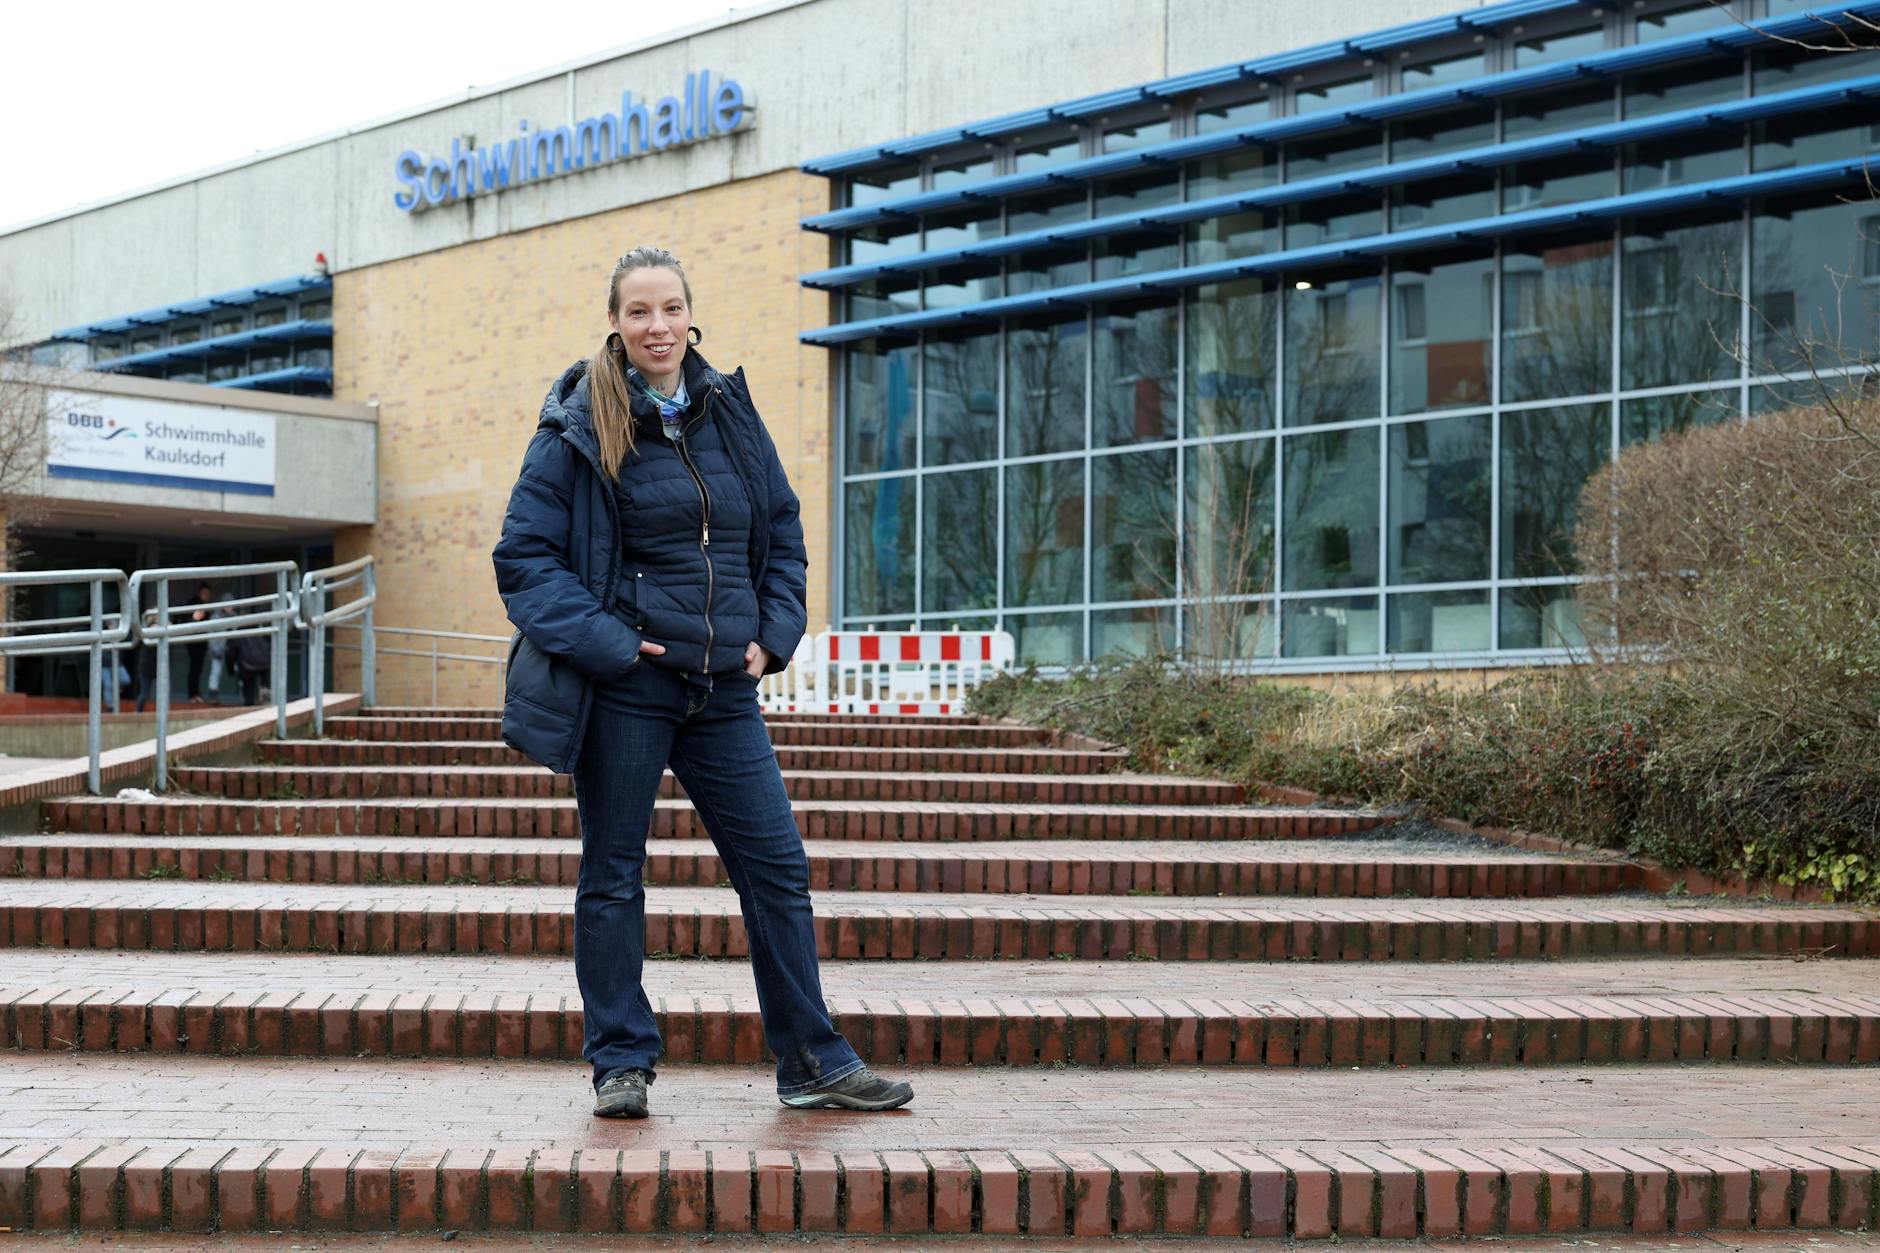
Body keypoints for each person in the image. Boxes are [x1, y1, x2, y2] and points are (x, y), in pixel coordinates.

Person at [491, 246, 913, 1120]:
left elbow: (784, 533)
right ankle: (621, 1061)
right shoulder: (576, 424)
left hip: (724, 691)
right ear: (615, 321)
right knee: (613, 874)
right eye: (639, 311)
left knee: (777, 868)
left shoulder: (729, 412)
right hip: (630, 689)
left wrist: (775, 632)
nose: (657, 326)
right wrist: (612, 643)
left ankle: (811, 1059)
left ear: (691, 317)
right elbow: (524, 561)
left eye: (671, 309)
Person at [184, 582, 214, 703]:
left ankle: (195, 693)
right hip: (193, 642)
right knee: (194, 668)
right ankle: (193, 694)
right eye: (205, 594)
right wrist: (194, 619)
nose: (207, 596)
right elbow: (188, 621)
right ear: (200, 593)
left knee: (197, 668)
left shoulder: (205, 606)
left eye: (208, 594)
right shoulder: (194, 604)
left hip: (201, 642)